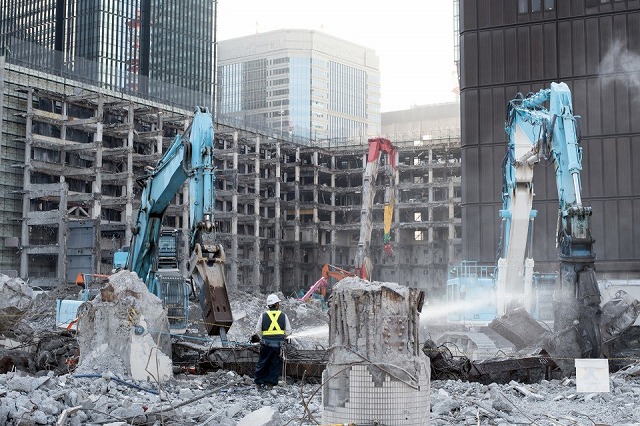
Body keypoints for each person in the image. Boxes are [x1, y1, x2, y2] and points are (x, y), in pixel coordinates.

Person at [253, 293, 292, 391]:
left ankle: (258, 384)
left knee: (262, 363)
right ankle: (270, 385)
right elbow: (288, 331)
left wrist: (265, 337)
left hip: (266, 344)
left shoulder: (263, 315)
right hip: (278, 346)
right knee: (275, 365)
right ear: (276, 304)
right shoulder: (283, 316)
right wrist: (281, 336)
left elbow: (258, 330)